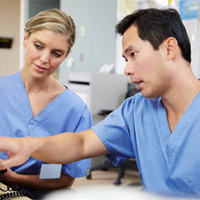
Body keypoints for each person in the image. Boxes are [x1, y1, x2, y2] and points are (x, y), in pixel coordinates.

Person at [0, 7, 199, 198]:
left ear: (169, 48)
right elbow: (82, 143)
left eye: (133, 54)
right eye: (126, 59)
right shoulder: (136, 110)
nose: (127, 70)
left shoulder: (73, 106)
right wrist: (28, 146)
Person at [0, 8, 93, 196]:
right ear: (26, 38)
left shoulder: (75, 110)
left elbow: (66, 179)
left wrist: (12, 179)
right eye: (38, 46)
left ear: (66, 55)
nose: (44, 59)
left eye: (56, 53)